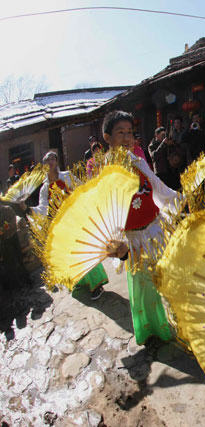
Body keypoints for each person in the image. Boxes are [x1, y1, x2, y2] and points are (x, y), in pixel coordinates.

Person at [102, 110, 179, 345]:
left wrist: (178, 199)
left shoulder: (137, 159)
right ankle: (151, 331)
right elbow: (110, 209)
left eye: (129, 133)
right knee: (144, 288)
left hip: (155, 230)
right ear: (107, 137)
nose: (127, 138)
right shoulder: (107, 171)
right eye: (120, 132)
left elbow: (156, 185)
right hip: (133, 238)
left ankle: (174, 321)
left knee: (167, 277)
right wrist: (118, 243)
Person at [28, 151, 108, 300]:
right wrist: (26, 209)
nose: (51, 162)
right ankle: (82, 280)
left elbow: (81, 188)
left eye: (53, 158)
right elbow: (43, 209)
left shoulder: (66, 176)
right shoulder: (45, 188)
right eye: (47, 160)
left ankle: (97, 284)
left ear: (57, 162)